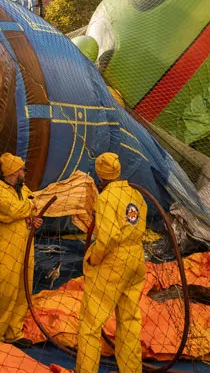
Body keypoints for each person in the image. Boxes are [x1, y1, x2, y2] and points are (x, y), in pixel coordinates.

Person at [76, 152, 147, 373]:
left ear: (100, 175)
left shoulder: (106, 198)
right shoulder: (135, 194)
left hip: (114, 262)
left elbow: (107, 237)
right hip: (136, 258)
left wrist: (93, 258)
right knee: (129, 320)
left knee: (90, 324)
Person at [0, 152, 42, 347]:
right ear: (12, 171)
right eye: (20, 169)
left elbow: (26, 209)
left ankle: (14, 332)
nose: (23, 172)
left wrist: (33, 218)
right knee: (5, 291)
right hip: (6, 249)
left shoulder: (22, 189)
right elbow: (12, 212)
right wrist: (29, 207)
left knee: (22, 290)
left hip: (26, 247)